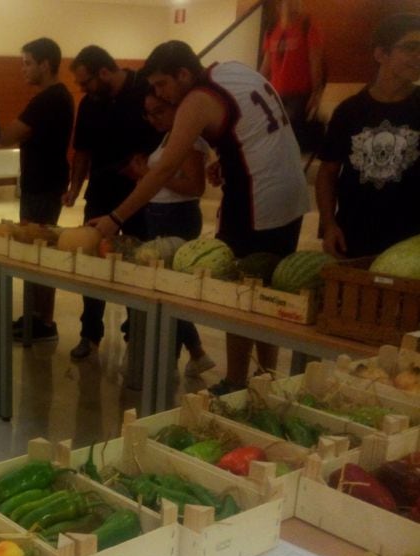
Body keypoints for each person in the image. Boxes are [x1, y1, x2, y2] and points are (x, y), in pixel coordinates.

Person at [87, 40, 309, 394]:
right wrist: (231, 158)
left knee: (238, 293)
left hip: (257, 201)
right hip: (291, 193)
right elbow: (259, 130)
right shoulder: (233, 68)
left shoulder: (196, 99)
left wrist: (115, 217)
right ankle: (268, 376)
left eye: (162, 84)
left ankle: (236, 380)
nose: (160, 93)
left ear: (184, 74)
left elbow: (162, 170)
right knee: (268, 291)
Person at [64, 45, 160, 358]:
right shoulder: (91, 103)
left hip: (139, 195)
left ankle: (137, 332)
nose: (83, 89)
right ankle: (89, 334)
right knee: (92, 262)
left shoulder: (144, 91)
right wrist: (75, 187)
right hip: (102, 193)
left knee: (136, 263)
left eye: (86, 81)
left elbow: (163, 141)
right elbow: (83, 150)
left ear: (104, 72)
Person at [317, 13, 420, 259]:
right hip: (355, 236)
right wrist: (329, 225)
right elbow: (327, 173)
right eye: (410, 48)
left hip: (410, 243)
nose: (418, 56)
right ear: (381, 54)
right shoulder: (349, 111)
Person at [132, 91, 215, 376]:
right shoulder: (168, 137)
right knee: (162, 288)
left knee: (171, 291)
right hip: (158, 216)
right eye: (148, 113)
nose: (153, 119)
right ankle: (191, 353)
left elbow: (194, 187)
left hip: (177, 218)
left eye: (159, 111)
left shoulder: (191, 141)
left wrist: (151, 174)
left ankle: (181, 356)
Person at [0, 37, 74, 341]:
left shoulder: (49, 99)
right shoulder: (55, 96)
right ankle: (34, 316)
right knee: (34, 251)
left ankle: (43, 321)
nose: (23, 70)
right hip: (41, 183)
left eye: (28, 63)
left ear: (46, 64)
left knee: (38, 250)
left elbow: (7, 135)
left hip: (43, 186)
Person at [260, 0, 325, 152]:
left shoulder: (308, 27)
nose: (294, 5)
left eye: (297, 2)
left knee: (290, 138)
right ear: (279, 6)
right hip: (275, 94)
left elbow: (315, 62)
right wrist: (254, 87)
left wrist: (316, 93)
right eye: (289, 2)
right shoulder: (271, 30)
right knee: (274, 138)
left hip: (299, 95)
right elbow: (266, 66)